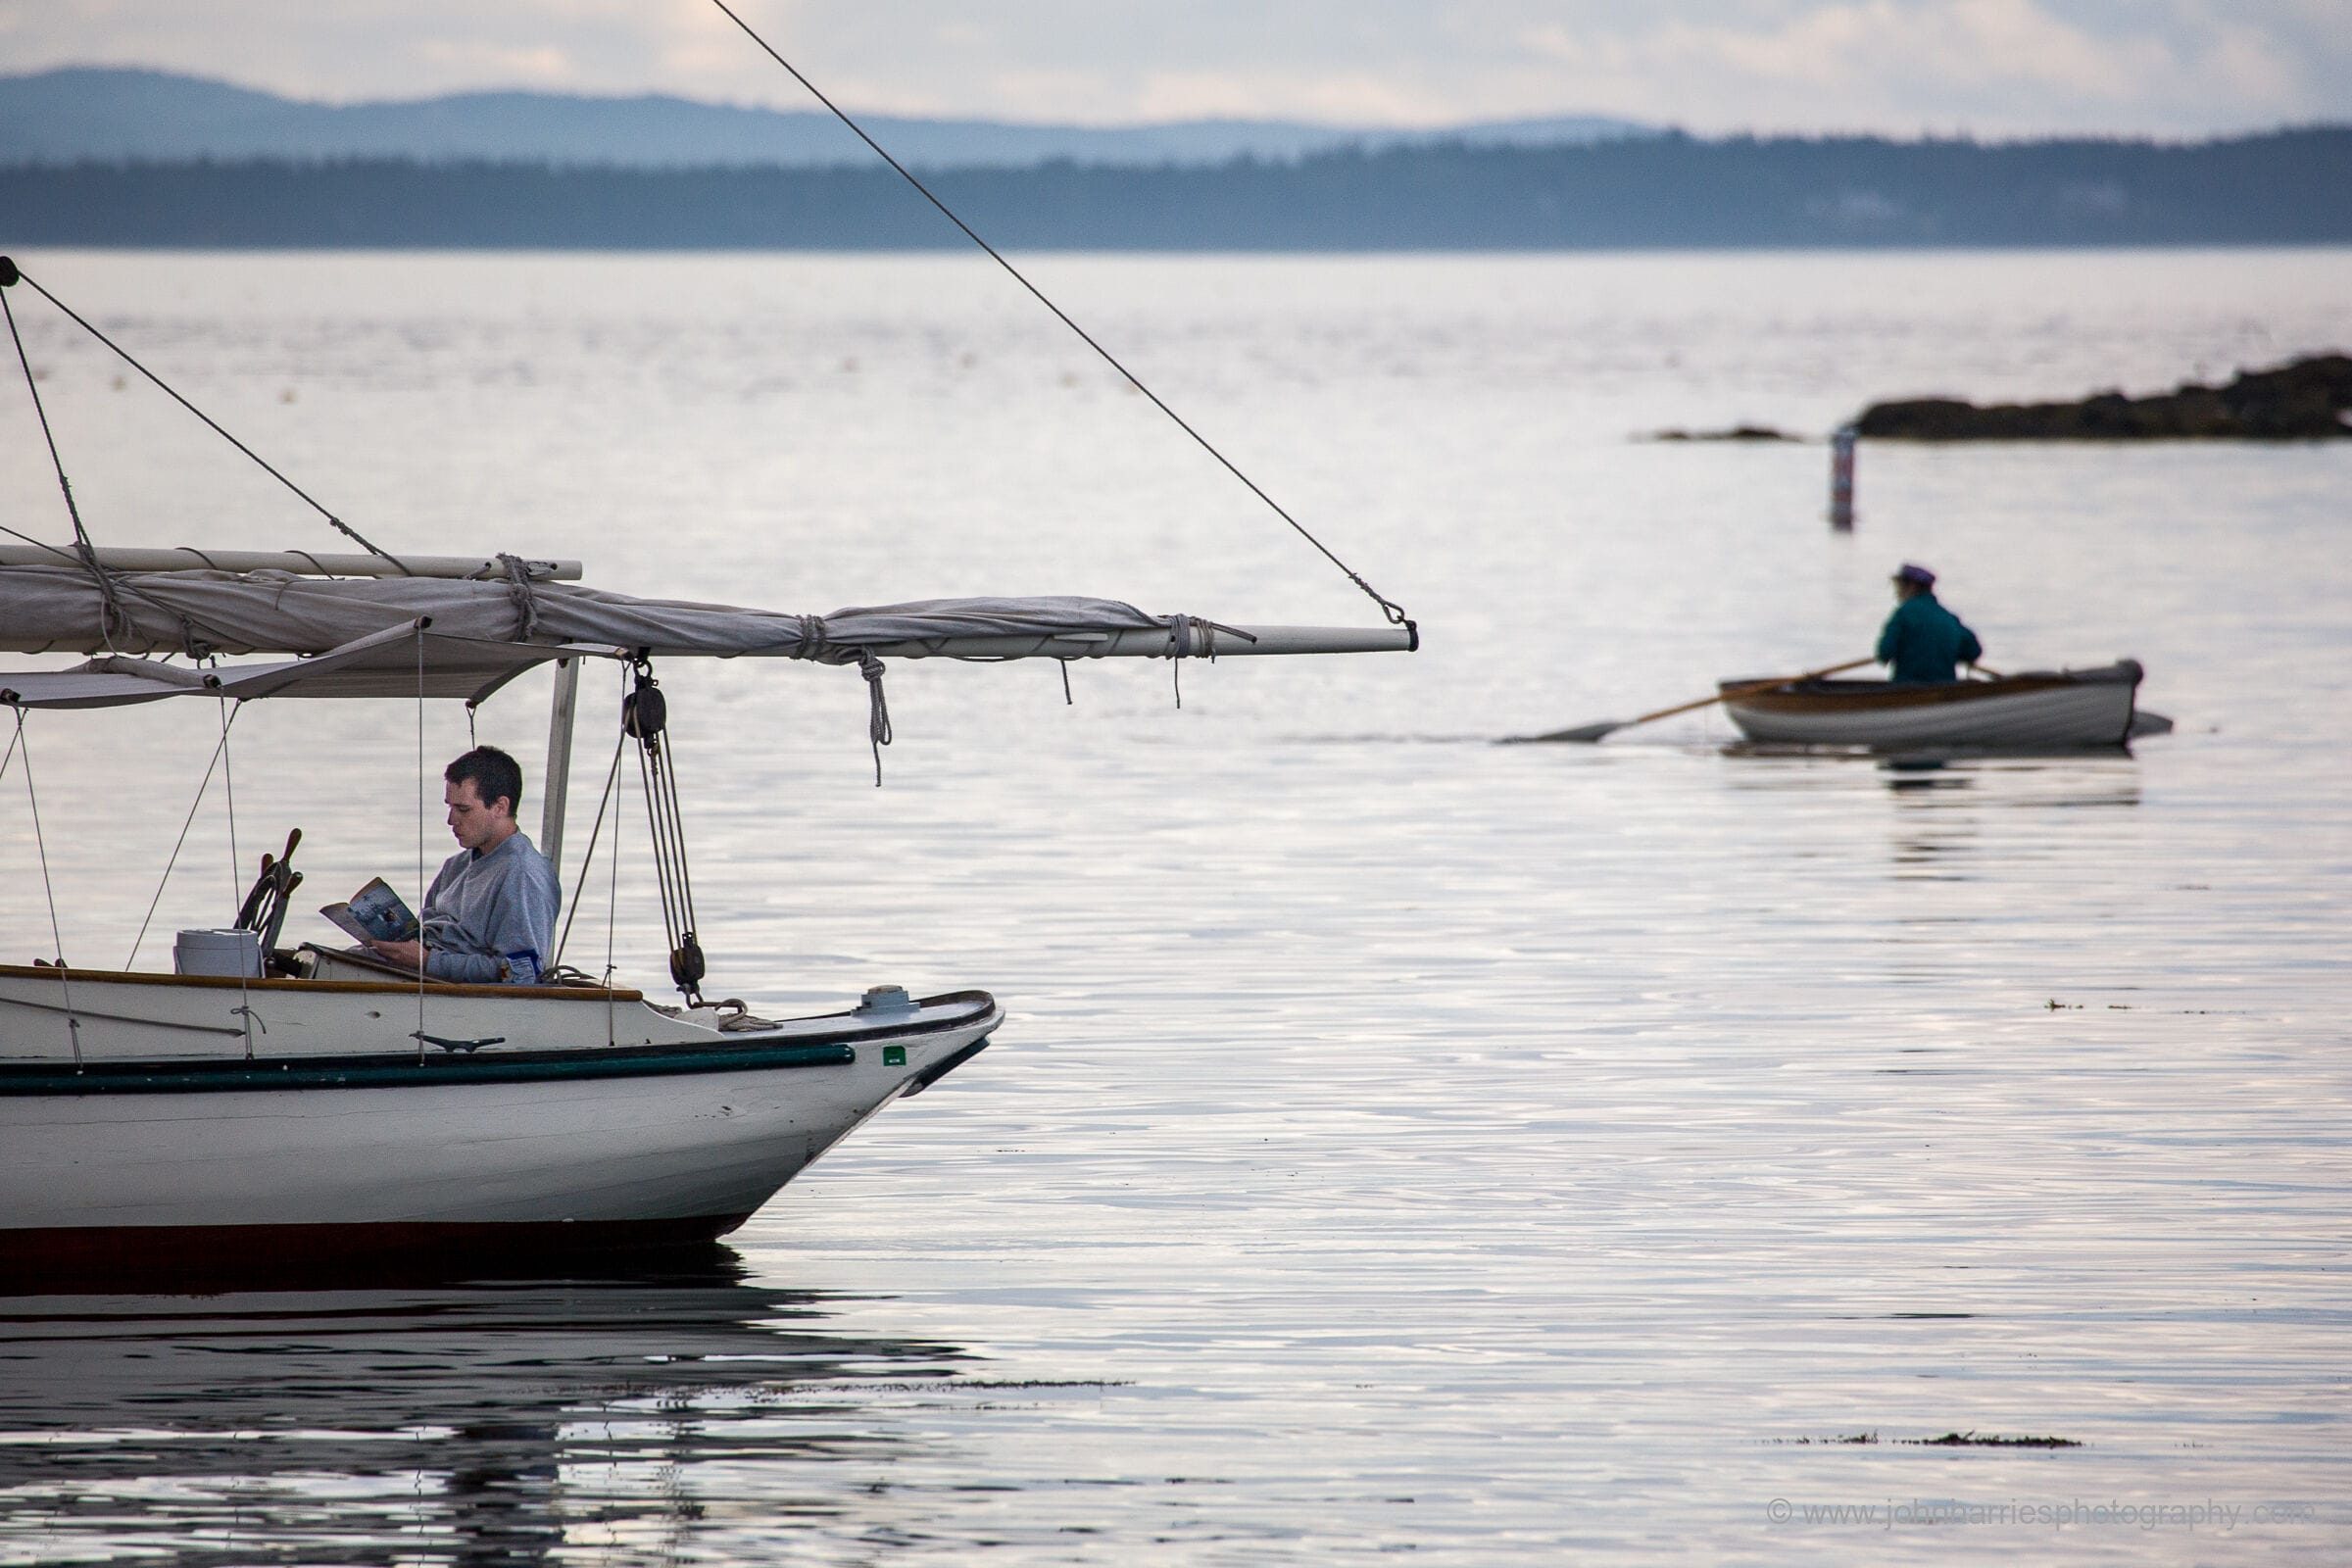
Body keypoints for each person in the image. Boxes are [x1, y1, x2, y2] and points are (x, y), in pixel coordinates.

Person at [367, 746, 562, 984]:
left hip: (444, 988)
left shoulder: (524, 875)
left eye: (463, 809)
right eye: (450, 807)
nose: (451, 820)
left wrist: (427, 962)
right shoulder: (454, 866)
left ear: (500, 807)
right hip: (411, 971)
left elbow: (521, 973)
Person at [1876, 563, 1983, 684]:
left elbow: (1884, 653)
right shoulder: (1949, 617)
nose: (1897, 593)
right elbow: (1973, 651)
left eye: (1898, 586)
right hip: (1946, 688)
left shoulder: (1903, 614)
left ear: (1911, 587)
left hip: (1907, 687)